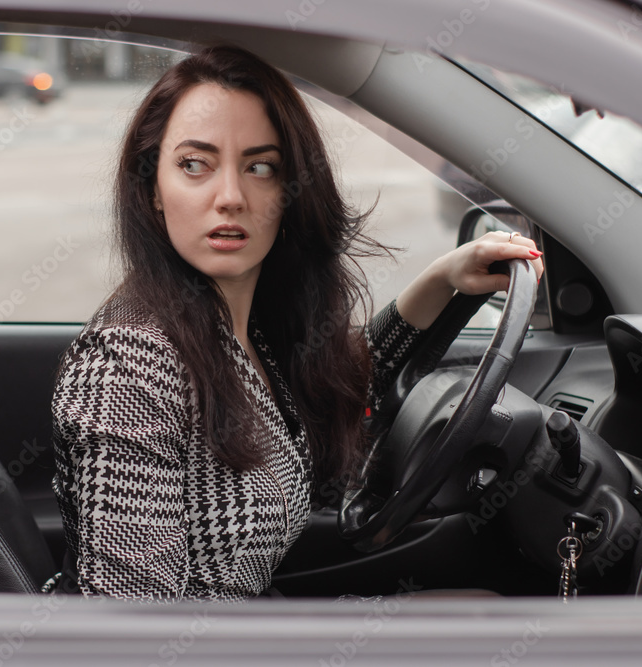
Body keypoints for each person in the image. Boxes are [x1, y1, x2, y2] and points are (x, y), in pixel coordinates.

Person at [46, 45, 543, 602]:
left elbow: (336, 389)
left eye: (260, 167)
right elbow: (133, 631)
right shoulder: (127, 365)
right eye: (194, 164)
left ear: (288, 194)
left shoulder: (237, 323)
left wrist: (442, 279)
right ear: (151, 190)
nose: (230, 197)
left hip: (251, 628)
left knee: (475, 611)